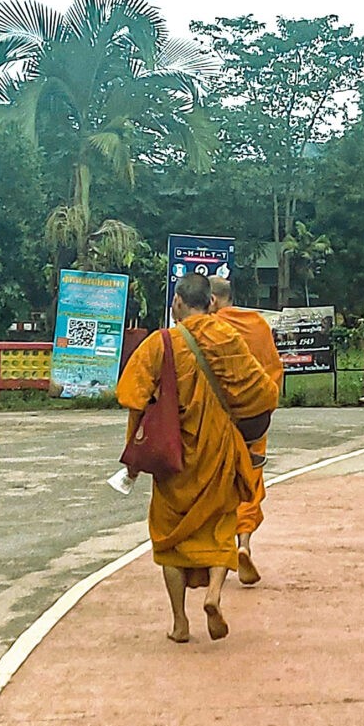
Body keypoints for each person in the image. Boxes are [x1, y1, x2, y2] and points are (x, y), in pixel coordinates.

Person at [116, 272, 279, 643]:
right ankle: (214, 594)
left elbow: (134, 401)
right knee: (222, 525)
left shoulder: (160, 344)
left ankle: (179, 623)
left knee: (168, 537)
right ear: (211, 304)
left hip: (174, 455)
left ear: (176, 303)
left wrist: (133, 458)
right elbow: (263, 394)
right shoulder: (227, 337)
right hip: (219, 451)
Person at [206, 275, 282, 584]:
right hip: (254, 417)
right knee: (250, 479)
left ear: (212, 301)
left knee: (216, 481)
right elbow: (274, 369)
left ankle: (218, 555)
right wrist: (263, 408)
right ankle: (245, 545)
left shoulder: (210, 330)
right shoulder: (258, 325)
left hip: (217, 417)